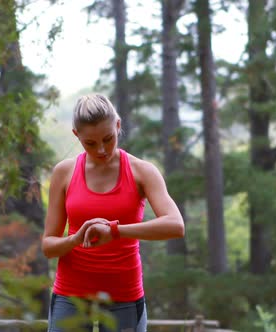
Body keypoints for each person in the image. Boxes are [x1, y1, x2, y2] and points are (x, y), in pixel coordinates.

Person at [41, 93, 185, 332]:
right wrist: (75, 239)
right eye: (90, 143)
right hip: (71, 295)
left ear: (118, 125)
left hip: (124, 296)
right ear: (77, 135)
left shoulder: (142, 171)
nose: (101, 150)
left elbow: (175, 225)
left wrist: (115, 231)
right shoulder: (64, 173)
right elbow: (48, 245)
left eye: (108, 139)